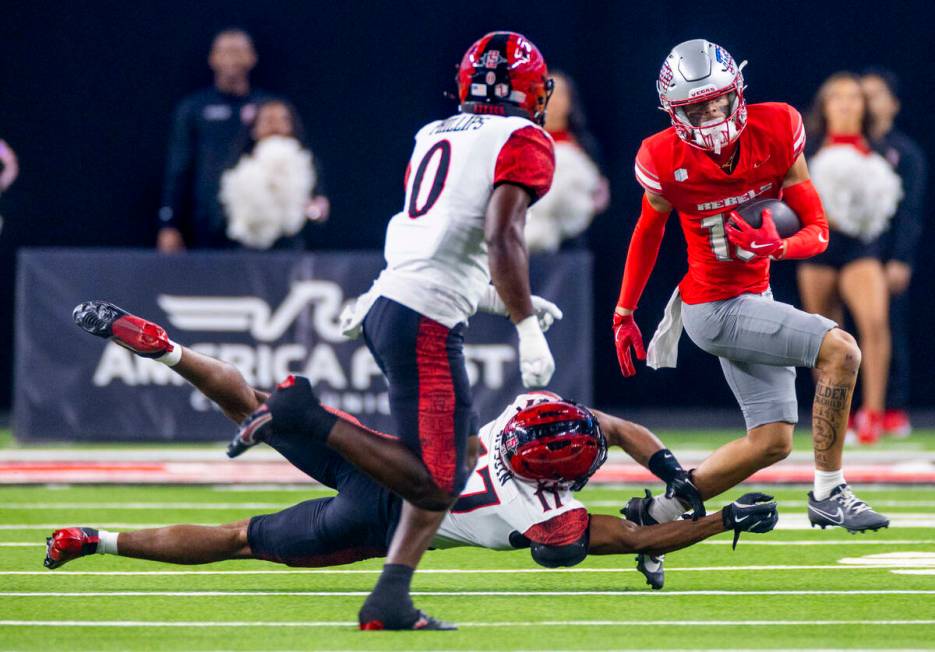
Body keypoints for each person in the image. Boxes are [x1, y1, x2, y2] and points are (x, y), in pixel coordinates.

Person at [52, 300, 779, 593]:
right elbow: (633, 533)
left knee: (252, 405)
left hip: (387, 455)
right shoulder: (542, 513)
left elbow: (613, 428)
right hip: (380, 524)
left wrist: (670, 471)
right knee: (241, 538)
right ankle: (96, 539)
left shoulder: (530, 411)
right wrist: (718, 518)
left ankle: (170, 350)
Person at [611, 40, 889, 587]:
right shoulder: (663, 156)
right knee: (842, 349)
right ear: (675, 112)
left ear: (736, 92)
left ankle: (656, 519)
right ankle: (830, 494)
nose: (711, 116)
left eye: (717, 102)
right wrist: (625, 310)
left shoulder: (778, 127)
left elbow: (817, 230)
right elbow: (648, 231)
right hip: (711, 308)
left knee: (772, 442)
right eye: (696, 109)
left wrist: (775, 247)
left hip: (751, 298)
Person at [798, 72, 903, 444]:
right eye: (837, 97)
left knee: (874, 324)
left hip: (862, 248)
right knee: (823, 335)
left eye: (853, 96)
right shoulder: (806, 152)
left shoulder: (883, 152)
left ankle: (872, 413)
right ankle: (833, 412)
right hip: (819, 247)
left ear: (864, 105)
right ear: (824, 106)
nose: (845, 103)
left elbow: (894, 209)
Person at [157, 28, 276, 252]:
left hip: (261, 228)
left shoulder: (269, 107)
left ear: (252, 58)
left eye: (239, 51)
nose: (232, 57)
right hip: (205, 225)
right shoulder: (193, 108)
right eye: (225, 51)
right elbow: (178, 168)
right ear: (213, 58)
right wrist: (169, 224)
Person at [860, 68, 928, 438]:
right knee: (842, 332)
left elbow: (910, 212)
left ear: (893, 104)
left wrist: (901, 258)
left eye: (875, 95)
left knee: (886, 327)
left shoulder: (906, 154)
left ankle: (892, 406)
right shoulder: (847, 148)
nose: (868, 103)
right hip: (849, 255)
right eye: (862, 95)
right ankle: (854, 408)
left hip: (884, 258)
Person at [219, 99, 330, 250]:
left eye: (281, 119)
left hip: (291, 246)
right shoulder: (240, 164)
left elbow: (318, 205)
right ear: (254, 128)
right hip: (249, 247)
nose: (274, 125)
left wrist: (312, 212)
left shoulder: (306, 162)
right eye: (267, 119)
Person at [525, 71, 610, 253]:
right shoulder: (523, 142)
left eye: (560, 94)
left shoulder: (584, 146)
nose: (554, 101)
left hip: (572, 249)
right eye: (547, 93)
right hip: (527, 244)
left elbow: (600, 193)